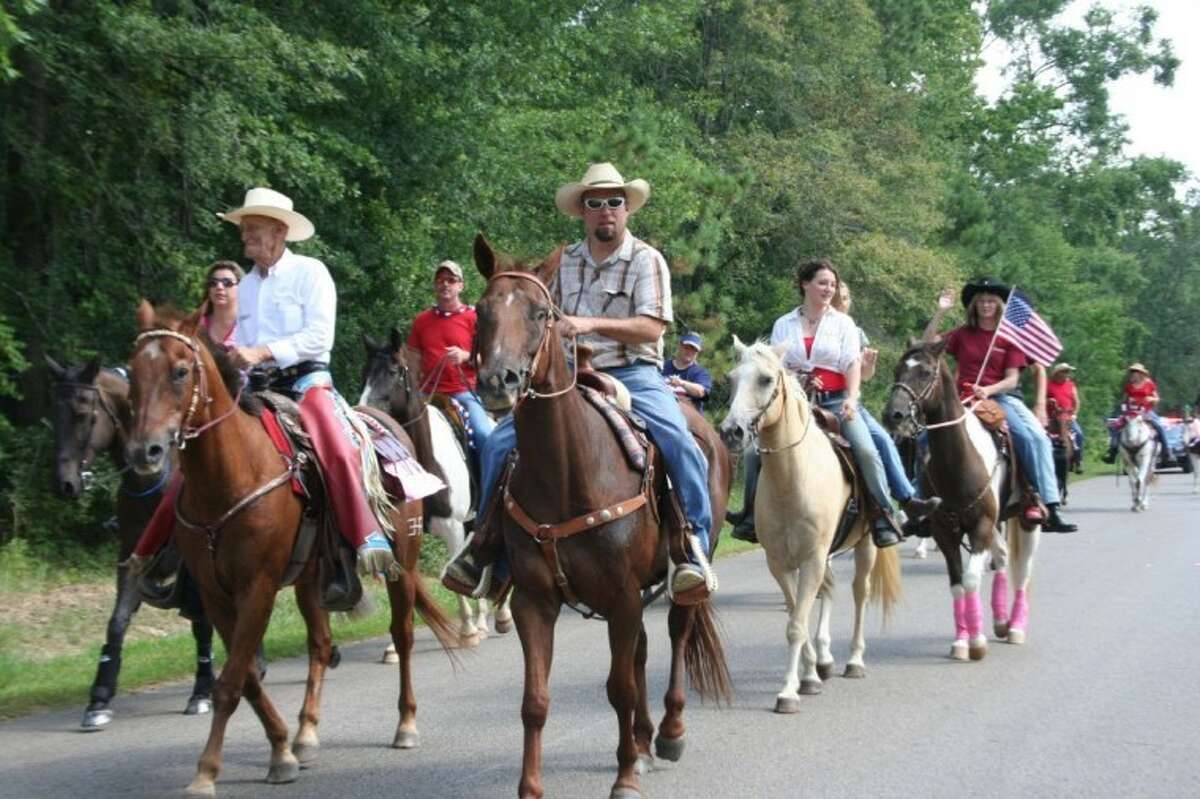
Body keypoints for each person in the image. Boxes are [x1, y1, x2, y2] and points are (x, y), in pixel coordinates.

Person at [442, 162, 716, 600]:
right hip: (570, 376)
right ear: (582, 212)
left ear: (626, 209)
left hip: (635, 373)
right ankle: (487, 548)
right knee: (495, 444)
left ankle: (692, 548)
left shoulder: (647, 259)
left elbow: (652, 328)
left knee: (681, 442)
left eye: (614, 201)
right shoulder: (562, 263)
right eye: (595, 203)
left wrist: (587, 323)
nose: (605, 210)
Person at [221, 187, 397, 579]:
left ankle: (366, 537)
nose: (244, 235)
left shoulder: (311, 272)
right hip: (255, 388)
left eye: (252, 228)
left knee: (335, 444)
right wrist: (237, 360)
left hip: (306, 382)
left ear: (279, 231)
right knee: (203, 439)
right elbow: (244, 347)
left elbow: (319, 337)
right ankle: (167, 557)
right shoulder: (244, 287)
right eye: (244, 228)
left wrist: (262, 351)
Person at [729, 280, 941, 543]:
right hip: (795, 399)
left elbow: (854, 367)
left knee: (868, 448)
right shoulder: (784, 323)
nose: (830, 290)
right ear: (805, 285)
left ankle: (885, 512)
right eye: (823, 283)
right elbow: (774, 366)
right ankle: (750, 515)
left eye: (834, 286)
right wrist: (802, 378)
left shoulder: (845, 325)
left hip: (838, 401)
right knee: (752, 452)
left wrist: (854, 394)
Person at [922, 278, 1076, 533]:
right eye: (981, 300)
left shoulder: (1008, 336)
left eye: (991, 300)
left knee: (1032, 437)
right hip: (964, 399)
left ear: (999, 304)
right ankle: (926, 507)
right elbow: (927, 344)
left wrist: (988, 390)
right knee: (923, 439)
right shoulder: (962, 333)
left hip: (1003, 397)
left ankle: (1043, 501)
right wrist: (941, 311)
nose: (986, 305)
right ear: (974, 305)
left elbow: (1012, 379)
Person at [126, 260, 246, 570]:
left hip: (245, 397)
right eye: (214, 282)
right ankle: (157, 553)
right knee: (180, 480)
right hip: (203, 410)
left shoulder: (250, 320)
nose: (219, 286)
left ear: (239, 289)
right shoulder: (192, 330)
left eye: (227, 282)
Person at [406, 259, 495, 455]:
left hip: (462, 392)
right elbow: (412, 360)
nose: (445, 284)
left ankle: (491, 484)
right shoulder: (422, 320)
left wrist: (465, 356)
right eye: (440, 280)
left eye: (451, 280)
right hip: (426, 392)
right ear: (435, 285)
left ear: (460, 286)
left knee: (484, 435)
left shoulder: (474, 318)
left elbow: (490, 359)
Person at [1046, 362, 1084, 472]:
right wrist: (1049, 401)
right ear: (1058, 373)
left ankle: (1078, 461)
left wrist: (1074, 414)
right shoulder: (1049, 385)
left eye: (1068, 372)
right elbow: (1041, 400)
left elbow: (1076, 402)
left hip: (1068, 416)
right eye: (1065, 371)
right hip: (1052, 417)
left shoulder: (1070, 385)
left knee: (1079, 434)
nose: (1067, 374)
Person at [662, 331, 712, 412]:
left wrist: (681, 383)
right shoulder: (662, 367)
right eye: (687, 347)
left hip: (689, 419)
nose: (689, 352)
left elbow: (700, 392)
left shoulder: (700, 373)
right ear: (679, 346)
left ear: (697, 353)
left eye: (694, 350)